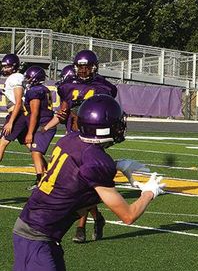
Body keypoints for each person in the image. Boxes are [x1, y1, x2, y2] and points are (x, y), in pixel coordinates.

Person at [0, 95, 165, 271]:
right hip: (36, 234)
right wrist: (149, 192)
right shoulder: (96, 161)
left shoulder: (71, 139)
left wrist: (116, 166)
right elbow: (127, 215)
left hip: (44, 232)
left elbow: (79, 172)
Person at [42, 50, 118, 244]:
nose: (83, 71)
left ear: (94, 67)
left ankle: (81, 227)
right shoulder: (67, 86)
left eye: (87, 67)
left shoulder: (104, 86)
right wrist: (50, 124)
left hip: (93, 139)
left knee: (85, 182)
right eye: (81, 67)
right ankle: (97, 218)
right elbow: (64, 110)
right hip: (73, 136)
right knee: (80, 183)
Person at [22, 66, 57, 190]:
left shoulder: (35, 91)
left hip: (44, 125)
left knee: (36, 152)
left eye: (28, 77)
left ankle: (40, 181)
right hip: (44, 124)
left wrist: (30, 133)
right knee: (35, 151)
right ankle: (49, 177)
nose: (27, 79)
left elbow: (35, 113)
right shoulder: (43, 89)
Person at [0, 54, 26, 163]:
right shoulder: (14, 78)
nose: (4, 69)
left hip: (17, 115)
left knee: (2, 143)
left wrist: (11, 122)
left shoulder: (15, 77)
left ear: (14, 66)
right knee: (32, 147)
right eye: (4, 66)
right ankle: (44, 173)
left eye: (7, 66)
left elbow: (18, 102)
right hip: (19, 115)